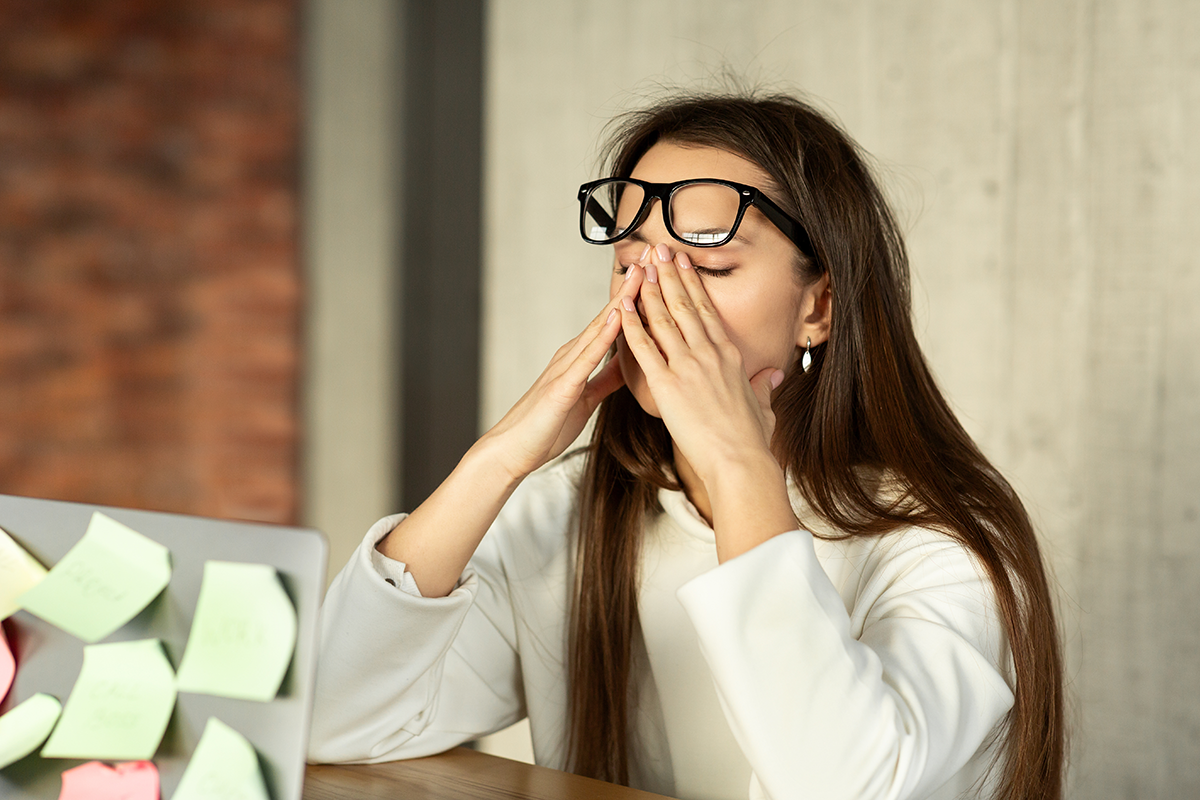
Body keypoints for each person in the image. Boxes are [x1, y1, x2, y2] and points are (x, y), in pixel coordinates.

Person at [307, 92, 1065, 800]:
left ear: (820, 306)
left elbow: (838, 783)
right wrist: (495, 461)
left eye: (708, 266)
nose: (653, 296)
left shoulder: (938, 545)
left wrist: (739, 468)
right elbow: (329, 723)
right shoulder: (564, 514)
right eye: (629, 263)